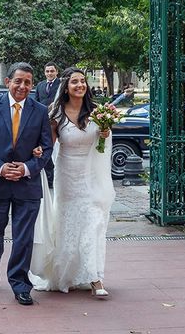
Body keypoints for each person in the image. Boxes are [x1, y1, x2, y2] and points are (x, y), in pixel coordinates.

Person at [29, 67, 115, 297]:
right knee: (69, 226)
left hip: (91, 176)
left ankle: (96, 277)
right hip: (67, 176)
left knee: (93, 222)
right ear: (66, 87)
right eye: (75, 82)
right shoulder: (56, 114)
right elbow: (49, 145)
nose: (80, 85)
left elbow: (102, 146)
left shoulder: (97, 112)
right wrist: (37, 154)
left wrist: (105, 135)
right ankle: (67, 274)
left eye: (83, 81)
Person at [0, 62, 53, 306]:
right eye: (18, 81)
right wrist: (0, 167)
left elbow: (46, 147)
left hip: (26, 184)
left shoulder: (39, 111)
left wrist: (28, 167)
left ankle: (20, 284)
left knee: (23, 237)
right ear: (8, 82)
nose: (22, 86)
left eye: (28, 82)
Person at [33, 62, 60, 188]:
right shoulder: (40, 85)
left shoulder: (61, 85)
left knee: (56, 151)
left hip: (57, 122)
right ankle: (50, 179)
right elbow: (36, 102)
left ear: (56, 72)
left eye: (52, 71)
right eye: (47, 71)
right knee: (45, 149)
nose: (49, 73)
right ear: (45, 73)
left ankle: (56, 178)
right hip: (43, 122)